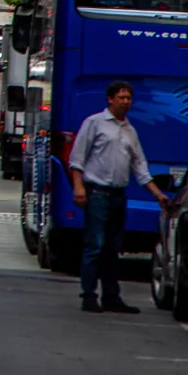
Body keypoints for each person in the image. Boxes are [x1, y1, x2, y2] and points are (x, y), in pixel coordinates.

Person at [67, 79, 171, 314]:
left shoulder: (130, 131)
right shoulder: (95, 123)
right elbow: (77, 159)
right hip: (97, 193)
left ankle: (112, 296)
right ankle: (89, 295)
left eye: (128, 98)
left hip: (117, 195)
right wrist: (78, 187)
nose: (125, 102)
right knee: (95, 244)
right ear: (110, 99)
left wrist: (158, 195)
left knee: (113, 248)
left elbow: (140, 167)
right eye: (121, 97)